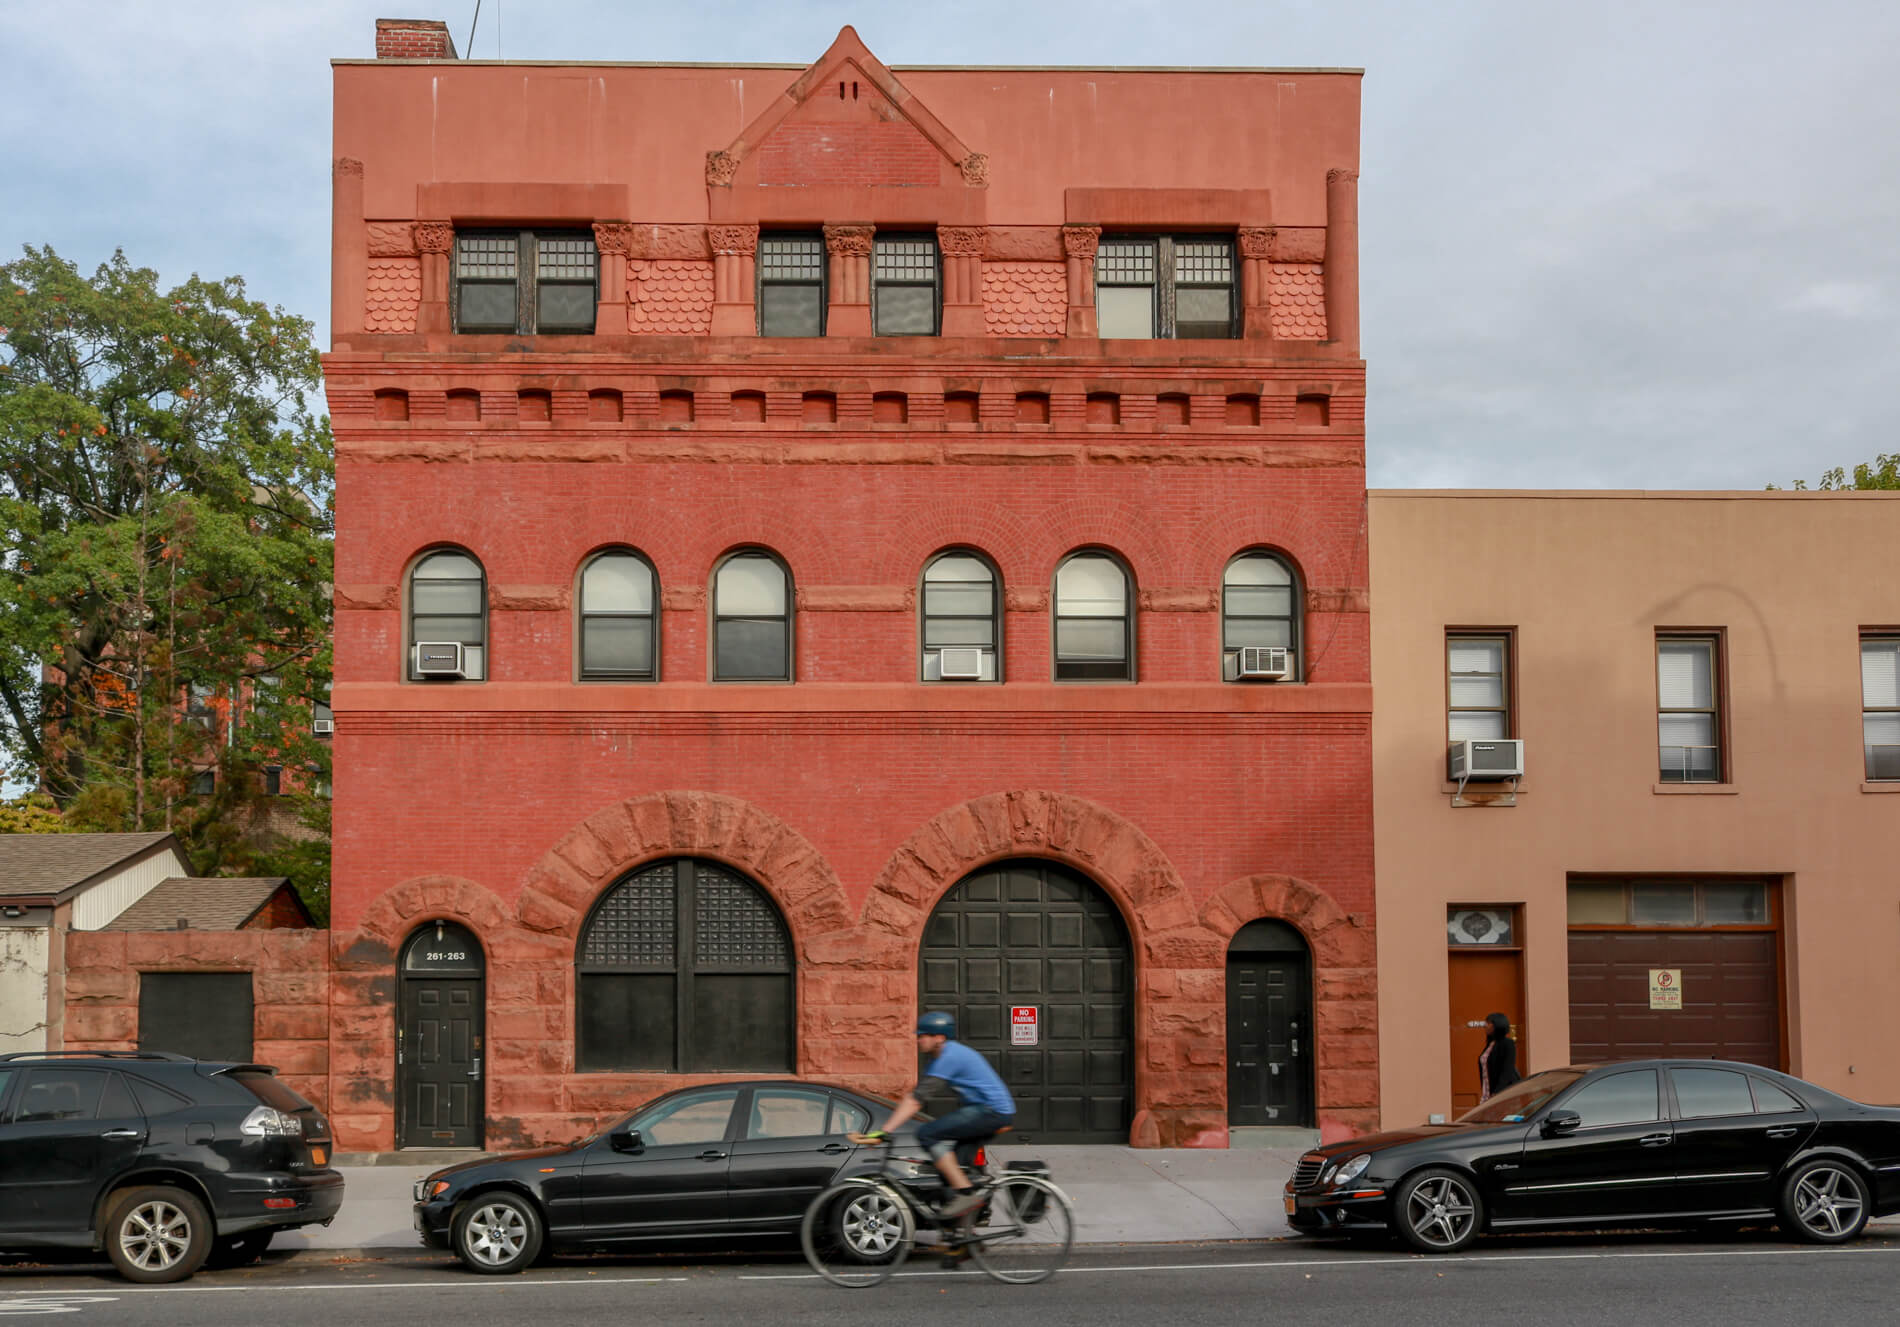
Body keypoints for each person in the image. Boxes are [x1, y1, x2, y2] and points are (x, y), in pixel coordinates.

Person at [862, 1011, 1015, 1219]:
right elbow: (915, 1096)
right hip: (986, 1111)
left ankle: (966, 1194)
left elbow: (916, 1100)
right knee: (951, 1174)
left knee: (927, 1134)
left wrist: (885, 1130)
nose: (918, 1039)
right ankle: (964, 1238)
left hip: (991, 1111)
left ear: (939, 1037)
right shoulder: (937, 1060)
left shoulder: (950, 1055)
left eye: (924, 1035)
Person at [1477, 1011, 1521, 1102]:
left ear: (1497, 1025)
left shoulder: (1507, 1044)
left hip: (1502, 1093)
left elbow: (1507, 1069)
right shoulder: (1490, 1044)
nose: (1485, 1025)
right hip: (1488, 1092)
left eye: (1489, 1023)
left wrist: (1497, 1092)